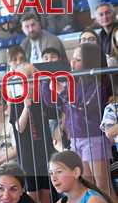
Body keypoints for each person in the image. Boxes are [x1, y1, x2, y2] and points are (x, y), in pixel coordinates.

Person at [44, 45, 112, 194]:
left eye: (78, 60)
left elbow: (85, 105)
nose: (73, 63)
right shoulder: (72, 81)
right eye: (72, 59)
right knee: (88, 185)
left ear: (90, 61)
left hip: (94, 137)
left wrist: (63, 91)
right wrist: (46, 79)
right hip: (76, 138)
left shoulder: (98, 83)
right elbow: (51, 101)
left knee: (103, 186)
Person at [9, 63, 56, 203]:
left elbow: (55, 113)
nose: (30, 82)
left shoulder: (42, 100)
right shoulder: (17, 102)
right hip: (28, 157)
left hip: (44, 153)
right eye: (27, 78)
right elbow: (19, 127)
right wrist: (26, 107)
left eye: (33, 77)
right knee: (32, 195)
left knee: (46, 194)